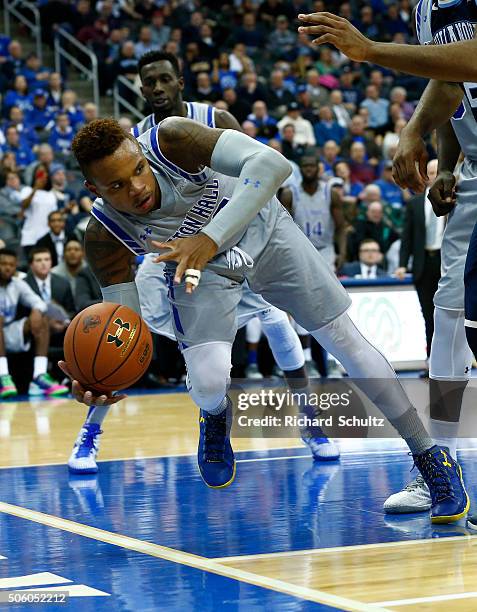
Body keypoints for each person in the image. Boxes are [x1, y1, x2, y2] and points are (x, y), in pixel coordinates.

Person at [60, 114, 469, 522]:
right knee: (207, 381)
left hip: (262, 229)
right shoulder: (103, 236)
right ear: (92, 189)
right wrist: (103, 378)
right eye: (116, 185)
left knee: (345, 339)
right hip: (199, 267)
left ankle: (431, 458)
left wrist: (209, 238)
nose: (137, 187)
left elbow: (273, 166)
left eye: (138, 170)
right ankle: (216, 413)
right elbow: (126, 331)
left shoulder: (173, 139)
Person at [69, 50, 336, 475]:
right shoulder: (132, 140)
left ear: (179, 82)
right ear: (141, 90)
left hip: (236, 243)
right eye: (148, 82)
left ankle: (311, 422)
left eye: (163, 79)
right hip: (174, 257)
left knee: (280, 325)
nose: (156, 88)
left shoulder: (215, 122)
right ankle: (92, 430)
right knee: (116, 339)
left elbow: (264, 179)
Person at [297, 5, 477, 521]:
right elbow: (449, 78)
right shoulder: (426, 7)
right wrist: (437, 146)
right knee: (449, 320)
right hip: (475, 172)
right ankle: (440, 462)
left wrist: (370, 51)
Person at [0, 248, 68, 398]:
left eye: (11, 264)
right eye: (3, 263)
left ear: (16, 265)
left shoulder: (18, 284)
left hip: (9, 333)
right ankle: (3, 376)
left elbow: (39, 303)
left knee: (41, 318)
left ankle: (40, 374)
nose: (7, 267)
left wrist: (36, 311)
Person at [396, 160, 441, 364]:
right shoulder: (414, 203)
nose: (434, 175)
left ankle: (456, 361)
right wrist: (403, 264)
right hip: (423, 264)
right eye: (431, 172)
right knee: (428, 315)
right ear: (426, 175)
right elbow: (407, 237)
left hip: (446, 262)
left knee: (451, 314)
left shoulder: (454, 201)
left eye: (438, 171)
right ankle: (431, 360)